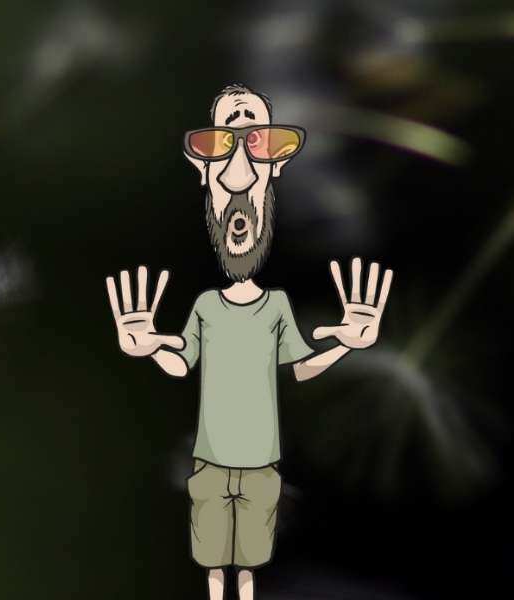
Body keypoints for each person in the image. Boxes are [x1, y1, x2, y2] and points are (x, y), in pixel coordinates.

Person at [102, 84, 396, 600]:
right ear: (200, 170)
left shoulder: (277, 305)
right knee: (218, 567)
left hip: (262, 464)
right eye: (219, 143)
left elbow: (302, 368)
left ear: (280, 167)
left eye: (261, 142)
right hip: (213, 463)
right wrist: (146, 346)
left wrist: (349, 343)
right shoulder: (206, 307)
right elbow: (182, 362)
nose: (239, 162)